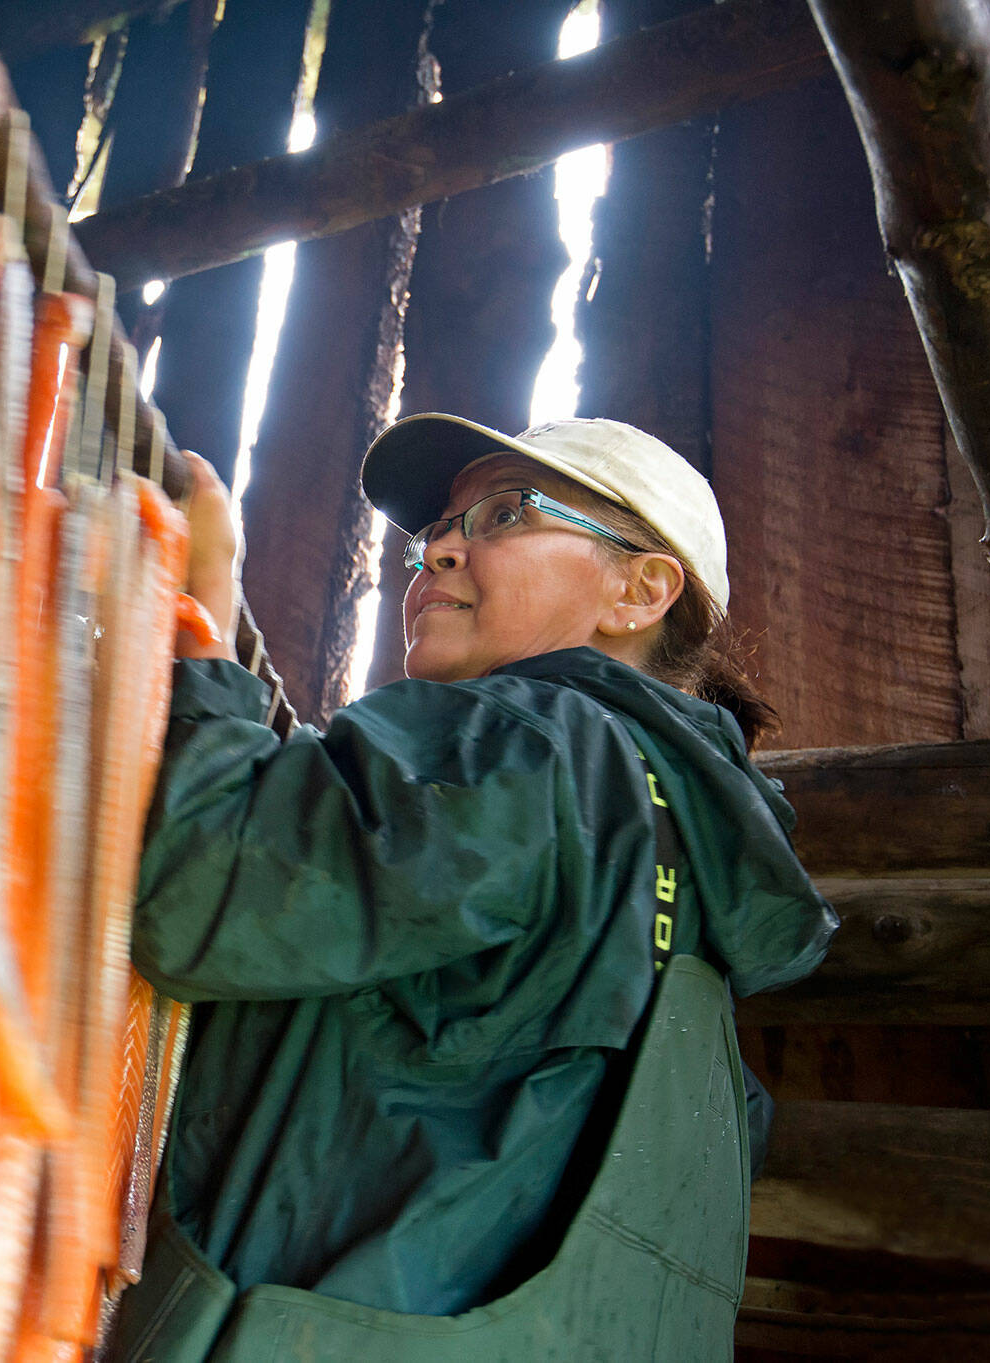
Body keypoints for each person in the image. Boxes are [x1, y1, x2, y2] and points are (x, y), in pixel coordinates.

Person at [110, 415, 837, 1361]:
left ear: (640, 590)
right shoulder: (690, 854)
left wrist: (205, 627)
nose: (439, 551)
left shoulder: (528, 740)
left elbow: (197, 899)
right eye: (433, 534)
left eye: (504, 513)